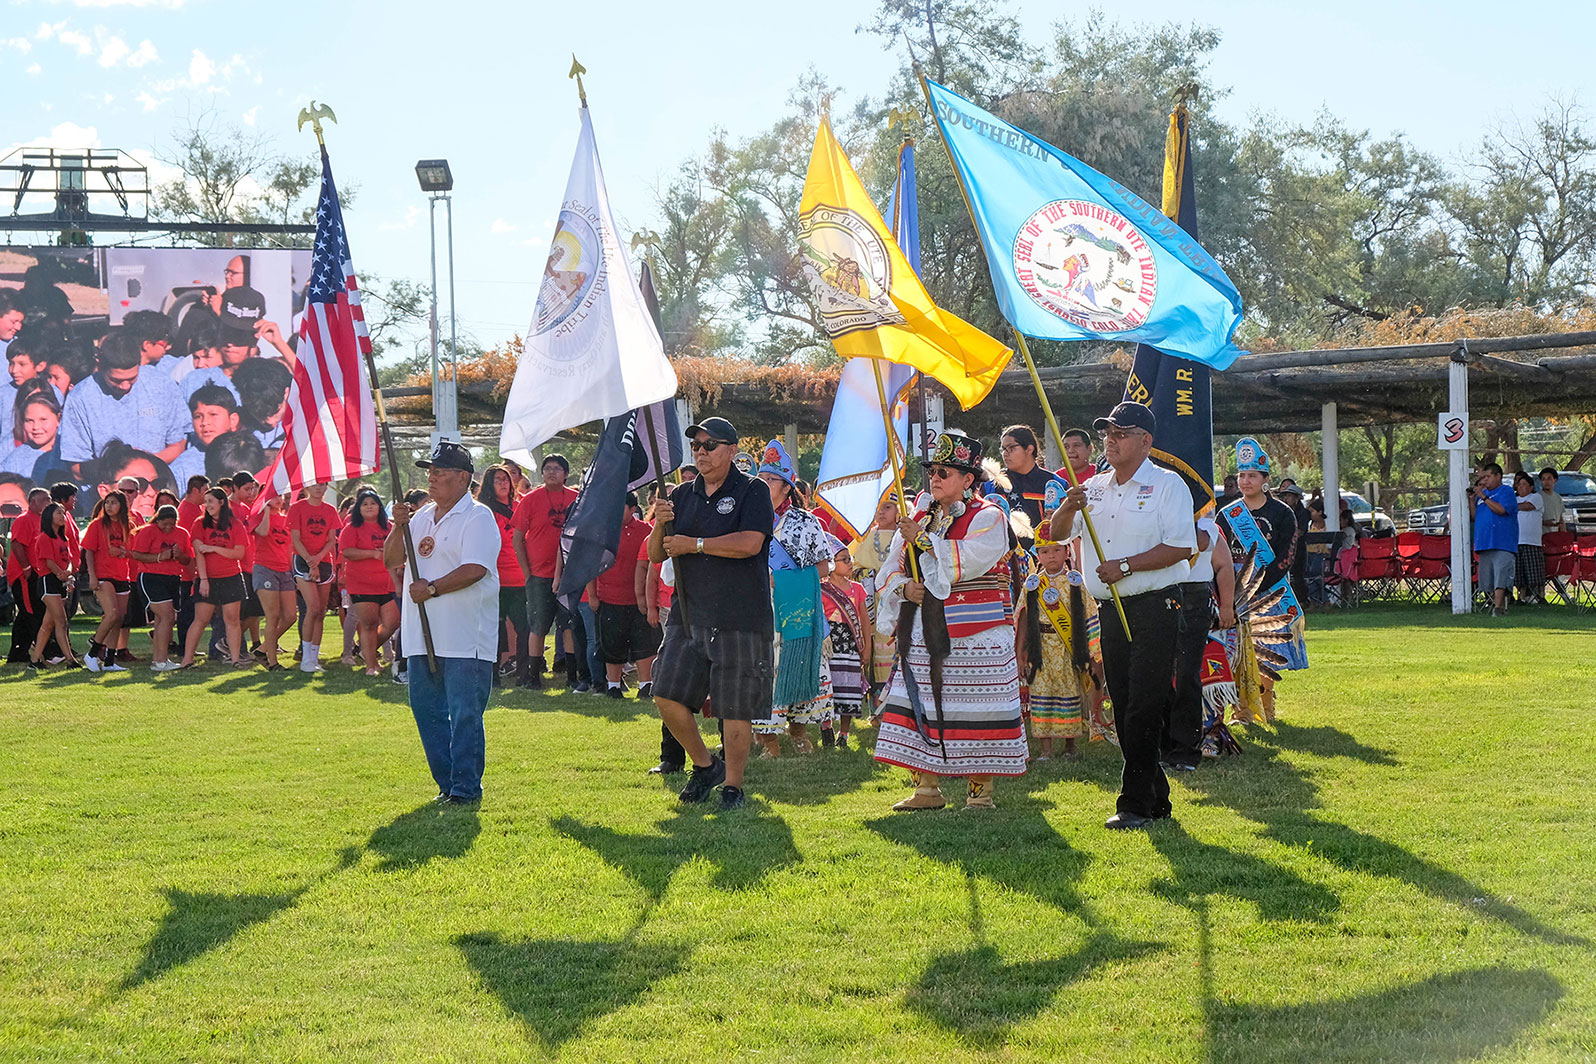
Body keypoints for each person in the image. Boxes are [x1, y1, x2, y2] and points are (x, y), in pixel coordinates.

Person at [1049, 402, 1196, 830]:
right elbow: (1058, 534)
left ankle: (1133, 803)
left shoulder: (1169, 486)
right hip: (1110, 609)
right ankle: (1157, 797)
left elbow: (1182, 547)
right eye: (1108, 433)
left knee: (1144, 704)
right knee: (1126, 700)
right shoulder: (1092, 486)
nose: (1111, 440)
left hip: (1155, 604)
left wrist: (1126, 566)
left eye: (1121, 433)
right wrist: (1068, 508)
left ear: (1145, 441)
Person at [873, 431, 1026, 810]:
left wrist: (922, 539)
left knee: (980, 707)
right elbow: (889, 568)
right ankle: (926, 788)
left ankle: (980, 793)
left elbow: (971, 558)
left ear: (968, 479)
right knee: (919, 699)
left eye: (945, 471)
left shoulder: (989, 516)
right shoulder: (921, 517)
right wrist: (905, 588)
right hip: (925, 628)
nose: (935, 478)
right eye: (932, 471)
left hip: (978, 629)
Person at [648, 416, 775, 810]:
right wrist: (660, 525)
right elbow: (657, 554)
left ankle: (733, 786)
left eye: (710, 445)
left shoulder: (752, 490)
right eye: (697, 446)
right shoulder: (682, 495)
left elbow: (751, 543)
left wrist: (696, 544)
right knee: (665, 694)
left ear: (732, 451)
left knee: (734, 706)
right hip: (688, 613)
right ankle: (705, 765)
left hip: (741, 615)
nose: (701, 452)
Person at [384, 441, 502, 805]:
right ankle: (447, 784)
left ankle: (466, 788)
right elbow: (391, 560)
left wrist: (432, 588)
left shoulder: (478, 517)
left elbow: (475, 568)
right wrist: (397, 528)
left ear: (463, 477)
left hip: (466, 636)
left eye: (440, 472)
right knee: (428, 713)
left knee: (465, 713)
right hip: (423, 636)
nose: (431, 478)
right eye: (429, 472)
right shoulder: (419, 517)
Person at [753, 439, 835, 757]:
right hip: (759, 608)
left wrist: (783, 579)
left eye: (771, 480)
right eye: (760, 479)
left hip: (797, 606)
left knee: (801, 665)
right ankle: (768, 740)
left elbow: (825, 566)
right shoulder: (748, 517)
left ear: (787, 488)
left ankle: (798, 731)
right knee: (763, 670)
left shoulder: (806, 522)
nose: (764, 485)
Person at [1216, 438, 1302, 723]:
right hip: (1233, 591)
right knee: (1236, 651)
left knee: (1264, 651)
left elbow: (1287, 555)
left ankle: (1265, 707)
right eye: (1241, 475)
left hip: (1269, 592)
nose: (1245, 480)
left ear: (1266, 479)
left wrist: (1261, 586)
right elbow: (1219, 555)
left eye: (1252, 475)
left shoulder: (1281, 513)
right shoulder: (1228, 515)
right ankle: (1241, 710)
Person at [1015, 530, 1104, 760]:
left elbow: (1090, 615)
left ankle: (1070, 746)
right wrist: (1020, 652)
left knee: (1069, 692)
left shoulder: (1076, 582)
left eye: (1056, 550)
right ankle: (1045, 750)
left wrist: (1094, 653)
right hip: (1040, 647)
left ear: (1067, 552)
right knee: (1042, 694)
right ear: (1038, 555)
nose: (1051, 556)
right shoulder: (1033, 584)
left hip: (1068, 649)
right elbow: (1023, 617)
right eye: (1045, 551)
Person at [57, 327, 189, 475]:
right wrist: (119, 469)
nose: (125, 386)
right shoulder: (80, 398)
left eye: (132, 379)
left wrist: (145, 463)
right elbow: (76, 466)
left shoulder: (162, 385)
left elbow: (178, 444)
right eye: (116, 380)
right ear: (99, 365)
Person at [1167, 511, 1236, 767]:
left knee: (1188, 674)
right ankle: (1164, 745)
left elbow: (1224, 566)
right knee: (1160, 674)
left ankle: (1188, 747)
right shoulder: (1155, 519)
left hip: (1195, 602)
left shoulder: (1209, 528)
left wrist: (1227, 606)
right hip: (1157, 597)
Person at [510, 454, 578, 688]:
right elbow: (517, 538)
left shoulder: (577, 499)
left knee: (568, 624)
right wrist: (527, 572)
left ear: (566, 474)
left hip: (571, 575)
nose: (551, 472)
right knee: (538, 626)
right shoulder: (530, 500)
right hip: (538, 575)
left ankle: (572, 676)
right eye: (547, 468)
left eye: (557, 468)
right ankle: (533, 676)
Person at [586, 491, 660, 699]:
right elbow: (591, 566)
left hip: (641, 601)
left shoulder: (647, 531)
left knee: (645, 643)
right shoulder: (602, 531)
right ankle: (613, 685)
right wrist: (592, 594)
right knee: (611, 643)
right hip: (609, 597)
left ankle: (646, 685)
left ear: (633, 509)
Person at [179, 487, 248, 668]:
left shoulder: (235, 524)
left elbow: (239, 553)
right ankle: (187, 660)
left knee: (232, 620)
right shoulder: (199, 523)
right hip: (207, 578)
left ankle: (235, 660)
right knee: (200, 620)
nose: (207, 505)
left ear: (221, 502)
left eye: (210, 501)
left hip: (231, 577)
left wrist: (214, 548)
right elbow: (199, 553)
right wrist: (203, 579)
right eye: (206, 501)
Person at [848, 493, 900, 713]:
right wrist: (867, 574)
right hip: (871, 605)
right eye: (878, 507)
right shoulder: (865, 538)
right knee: (873, 651)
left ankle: (897, 707)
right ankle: (877, 710)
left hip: (896, 602)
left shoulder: (903, 536)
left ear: (899, 511)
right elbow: (852, 564)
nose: (881, 512)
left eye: (888, 507)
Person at [340, 489, 401, 677]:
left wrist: (397, 580)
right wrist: (371, 554)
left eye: (373, 503)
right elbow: (347, 551)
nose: (369, 507)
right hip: (361, 583)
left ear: (379, 507)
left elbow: (397, 552)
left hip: (387, 582)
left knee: (392, 623)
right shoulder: (351, 528)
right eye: (364, 504)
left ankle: (366, 649)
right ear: (358, 508)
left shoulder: (389, 527)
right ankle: (371, 665)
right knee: (369, 624)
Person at [476, 466, 525, 678]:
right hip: (494, 579)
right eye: (498, 480)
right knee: (493, 630)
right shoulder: (482, 510)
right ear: (489, 483)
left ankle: (525, 674)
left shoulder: (520, 506)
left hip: (521, 579)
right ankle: (492, 675)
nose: (504, 483)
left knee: (525, 628)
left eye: (506, 479)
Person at [81, 488, 136, 673]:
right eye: (107, 502)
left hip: (122, 575)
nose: (109, 506)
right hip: (103, 575)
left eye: (114, 503)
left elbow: (133, 552)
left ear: (122, 506)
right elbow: (88, 551)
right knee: (111, 614)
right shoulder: (97, 525)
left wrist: (122, 552)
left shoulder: (128, 525)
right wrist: (92, 576)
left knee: (118, 619)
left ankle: (110, 661)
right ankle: (93, 653)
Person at [821, 541, 870, 748]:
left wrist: (867, 647)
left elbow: (864, 619)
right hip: (829, 643)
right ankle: (826, 728)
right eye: (845, 560)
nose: (850, 563)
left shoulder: (857, 589)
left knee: (848, 686)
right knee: (828, 685)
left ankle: (845, 733)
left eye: (850, 559)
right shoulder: (822, 589)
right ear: (832, 563)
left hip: (850, 643)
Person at [288, 482, 341, 672]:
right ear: (306, 488)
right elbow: (295, 538)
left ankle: (314, 657)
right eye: (316, 485)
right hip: (303, 560)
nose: (320, 488)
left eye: (323, 485)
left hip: (324, 561)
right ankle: (305, 657)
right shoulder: (297, 508)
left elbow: (331, 540)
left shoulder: (330, 510)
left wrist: (318, 559)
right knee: (313, 607)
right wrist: (310, 561)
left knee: (321, 612)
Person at [27, 501, 81, 669]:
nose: (62, 517)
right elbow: (49, 562)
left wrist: (68, 574)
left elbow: (70, 560)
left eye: (63, 513)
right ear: (49, 516)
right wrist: (62, 575)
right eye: (59, 513)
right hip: (48, 581)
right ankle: (70, 660)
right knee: (61, 622)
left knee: (48, 624)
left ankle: (34, 661)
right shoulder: (44, 537)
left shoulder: (62, 538)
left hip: (60, 581)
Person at [250, 489, 296, 669]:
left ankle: (262, 650)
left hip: (284, 571)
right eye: (274, 496)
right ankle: (272, 661)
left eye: (281, 496)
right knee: (273, 616)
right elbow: (262, 532)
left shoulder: (286, 518)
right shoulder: (259, 514)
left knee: (291, 616)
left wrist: (294, 573)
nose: (279, 499)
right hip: (265, 569)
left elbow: (289, 548)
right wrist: (267, 510)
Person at [993, 424, 1066, 532]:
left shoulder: (1055, 483)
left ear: (1029, 449)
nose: (1005, 454)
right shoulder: (993, 484)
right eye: (1003, 449)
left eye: (1011, 448)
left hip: (1045, 546)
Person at [5, 486, 49, 664]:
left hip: (37, 573)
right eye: (45, 499)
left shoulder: (41, 520)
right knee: (32, 612)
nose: (49, 502)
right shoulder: (24, 520)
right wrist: (26, 568)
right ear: (33, 502)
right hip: (24, 575)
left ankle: (18, 654)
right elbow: (17, 545)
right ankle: (46, 651)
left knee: (25, 615)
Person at [168, 385, 241, 487]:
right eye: (198, 416)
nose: (205, 422)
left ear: (232, 420)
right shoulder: (182, 467)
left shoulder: (247, 451)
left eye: (213, 415)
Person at [1470, 462, 1517, 617]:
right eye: (1484, 477)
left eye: (1488, 476)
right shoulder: (1482, 496)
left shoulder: (1506, 491)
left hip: (1502, 541)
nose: (1485, 480)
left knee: (1501, 574)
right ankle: (1497, 604)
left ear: (1498, 476)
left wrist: (1484, 496)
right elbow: (1476, 516)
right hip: (1485, 541)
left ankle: (1498, 606)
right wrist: (1472, 499)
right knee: (1488, 577)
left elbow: (1502, 510)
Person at [1, 384, 63, 482]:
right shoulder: (15, 460)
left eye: (43, 419)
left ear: (58, 419)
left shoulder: (69, 452)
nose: (36, 427)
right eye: (29, 420)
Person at [1512, 470, 1545, 606]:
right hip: (1516, 541)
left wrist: (1511, 507)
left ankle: (1537, 596)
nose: (1521, 487)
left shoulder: (1536, 497)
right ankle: (1521, 597)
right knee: (1519, 572)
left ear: (1531, 487)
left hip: (1532, 542)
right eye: (1519, 485)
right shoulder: (1514, 499)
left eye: (1524, 484)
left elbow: (1527, 507)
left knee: (1533, 571)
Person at [1538, 467, 1567, 536]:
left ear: (1555, 480)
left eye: (1549, 478)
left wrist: (1564, 535)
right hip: (1540, 536)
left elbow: (1561, 518)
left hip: (1554, 537)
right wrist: (1544, 522)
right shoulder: (1537, 497)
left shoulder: (1558, 497)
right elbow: (1531, 519)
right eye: (1543, 479)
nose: (1546, 482)